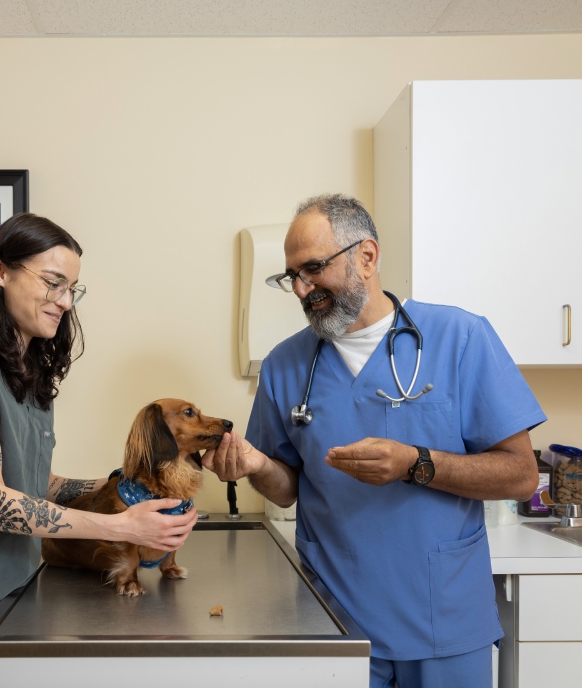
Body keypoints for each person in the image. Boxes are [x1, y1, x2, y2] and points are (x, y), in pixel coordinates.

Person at [203, 194, 545, 688]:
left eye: (314, 269)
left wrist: (416, 463)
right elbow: (288, 488)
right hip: (333, 621)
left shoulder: (461, 338)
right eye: (291, 276)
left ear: (367, 256)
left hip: (442, 618)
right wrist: (256, 466)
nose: (302, 289)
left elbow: (521, 476)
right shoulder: (284, 365)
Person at [0, 213, 197, 688]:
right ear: (1, 271)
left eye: (73, 289)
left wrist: (131, 486)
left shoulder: (29, 376)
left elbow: (37, 483)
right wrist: (119, 524)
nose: (65, 301)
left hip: (11, 606)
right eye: (54, 283)